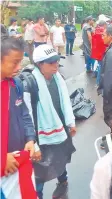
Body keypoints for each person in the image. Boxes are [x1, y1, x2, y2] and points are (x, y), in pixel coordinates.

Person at [26, 44, 76, 199]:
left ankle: (63, 180)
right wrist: (32, 143)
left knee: (61, 157)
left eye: (56, 61)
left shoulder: (58, 78)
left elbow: (65, 101)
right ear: (39, 64)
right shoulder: (30, 83)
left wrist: (70, 122)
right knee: (40, 171)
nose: (56, 65)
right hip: (41, 135)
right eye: (51, 62)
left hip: (61, 128)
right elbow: (27, 115)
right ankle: (38, 194)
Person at [1, 35, 37, 199]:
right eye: (14, 62)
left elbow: (24, 114)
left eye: (20, 61)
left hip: (17, 162)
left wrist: (30, 139)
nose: (19, 67)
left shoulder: (15, 85)